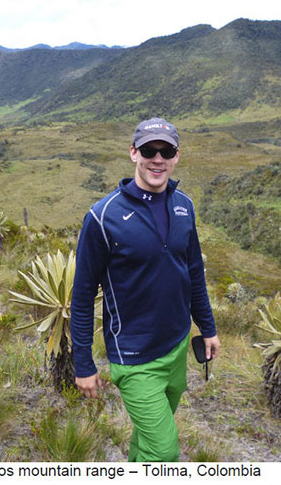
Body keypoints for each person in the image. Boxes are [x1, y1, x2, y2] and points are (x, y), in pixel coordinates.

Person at [71, 117, 220, 462]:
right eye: (149, 150)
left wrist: (207, 328)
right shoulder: (102, 216)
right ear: (133, 153)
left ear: (176, 157)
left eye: (165, 151)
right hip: (135, 357)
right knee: (165, 452)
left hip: (177, 345)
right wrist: (83, 364)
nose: (157, 158)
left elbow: (194, 271)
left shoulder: (184, 206)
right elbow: (81, 298)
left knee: (148, 441)